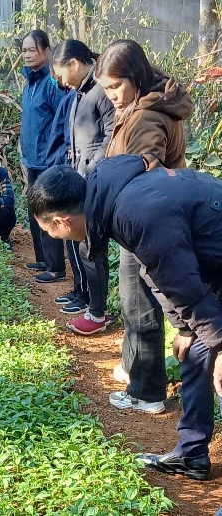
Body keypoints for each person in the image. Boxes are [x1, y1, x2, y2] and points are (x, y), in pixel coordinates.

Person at [27, 157, 222, 482]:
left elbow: (185, 283)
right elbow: (157, 271)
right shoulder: (111, 198)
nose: (55, 238)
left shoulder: (136, 213)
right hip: (211, 258)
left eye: (49, 231)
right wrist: (186, 327)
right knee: (195, 348)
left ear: (62, 221)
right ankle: (192, 454)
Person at [94, 39, 193, 413]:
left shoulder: (147, 117)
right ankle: (137, 372)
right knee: (138, 299)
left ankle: (148, 391)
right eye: (105, 88)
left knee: (139, 304)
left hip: (146, 221)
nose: (111, 96)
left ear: (135, 78)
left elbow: (144, 168)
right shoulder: (145, 106)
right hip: (150, 218)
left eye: (115, 86)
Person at [51, 40, 115, 330]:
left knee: (92, 246)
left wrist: (92, 168)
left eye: (61, 73)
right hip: (82, 179)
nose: (61, 81)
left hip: (96, 181)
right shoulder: (81, 92)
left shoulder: (101, 90)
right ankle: (92, 306)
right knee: (83, 244)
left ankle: (97, 312)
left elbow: (113, 134)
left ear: (74, 64)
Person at [20, 29, 66, 283]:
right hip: (31, 158)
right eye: (24, 50)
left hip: (48, 159)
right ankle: (43, 258)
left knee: (48, 211)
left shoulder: (51, 82)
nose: (27, 54)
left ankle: (56, 267)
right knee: (34, 210)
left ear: (46, 51)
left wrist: (56, 152)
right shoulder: (30, 81)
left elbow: (62, 118)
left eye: (32, 50)